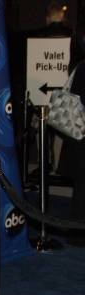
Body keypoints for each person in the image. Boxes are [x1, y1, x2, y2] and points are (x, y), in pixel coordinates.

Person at [57, 21, 85, 244]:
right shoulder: (83, 67)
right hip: (82, 138)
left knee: (81, 190)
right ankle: (78, 234)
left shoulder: (78, 61)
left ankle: (77, 233)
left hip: (79, 140)